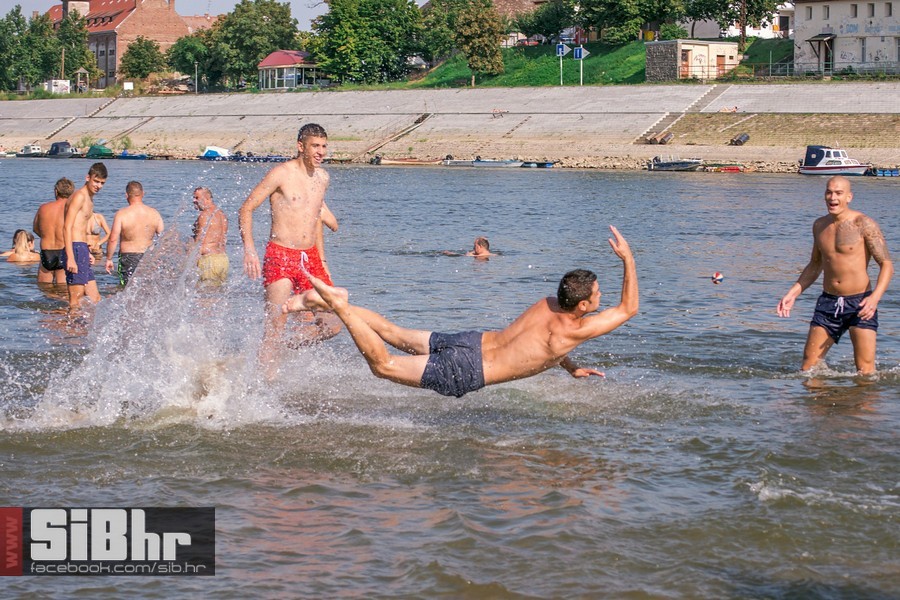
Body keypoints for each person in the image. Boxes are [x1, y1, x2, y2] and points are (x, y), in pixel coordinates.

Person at [284, 226, 638, 397]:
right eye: (596, 295)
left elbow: (543, 346)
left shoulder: (546, 304)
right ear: (582, 306)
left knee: (393, 333)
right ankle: (340, 307)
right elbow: (629, 308)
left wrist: (571, 368)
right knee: (383, 366)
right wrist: (629, 259)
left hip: (470, 341)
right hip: (468, 368)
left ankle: (322, 299)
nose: (600, 298)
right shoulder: (572, 331)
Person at [239, 123, 341, 371]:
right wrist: (249, 250)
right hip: (281, 256)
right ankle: (265, 381)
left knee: (333, 324)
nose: (321, 152)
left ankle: (285, 349)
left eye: (324, 146)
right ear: (300, 146)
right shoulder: (281, 174)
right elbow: (247, 208)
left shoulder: (322, 178)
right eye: (315, 146)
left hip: (311, 258)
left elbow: (316, 219)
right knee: (276, 325)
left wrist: (323, 263)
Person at [777, 176, 893, 375]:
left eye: (838, 193)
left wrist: (874, 299)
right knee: (808, 368)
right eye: (829, 192)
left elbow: (886, 265)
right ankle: (819, 404)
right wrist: (793, 293)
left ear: (849, 197)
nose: (833, 197)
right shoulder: (819, 225)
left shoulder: (863, 223)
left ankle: (857, 406)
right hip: (828, 303)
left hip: (861, 303)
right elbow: (815, 264)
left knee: (865, 372)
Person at [64, 162, 108, 309]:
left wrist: (87, 251)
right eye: (96, 181)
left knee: (95, 299)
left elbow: (81, 227)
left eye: (102, 183)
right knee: (75, 301)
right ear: (87, 177)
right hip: (74, 248)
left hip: (81, 248)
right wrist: (70, 257)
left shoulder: (90, 199)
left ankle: (87, 331)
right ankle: (71, 332)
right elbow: (67, 226)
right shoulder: (79, 196)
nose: (99, 186)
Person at [105, 181, 165, 286]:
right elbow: (164, 238)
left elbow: (113, 239)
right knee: (146, 288)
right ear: (143, 193)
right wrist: (159, 257)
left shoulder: (121, 214)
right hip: (149, 257)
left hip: (128, 258)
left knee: (126, 288)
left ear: (126, 195)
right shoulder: (154, 213)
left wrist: (109, 259)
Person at [33, 177, 74, 284]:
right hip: (64, 250)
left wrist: (47, 235)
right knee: (63, 289)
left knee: (44, 288)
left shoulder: (43, 208)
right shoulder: (71, 209)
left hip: (47, 251)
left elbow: (36, 229)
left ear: (56, 190)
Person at [191, 186, 229, 285]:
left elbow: (199, 242)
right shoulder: (221, 214)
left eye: (197, 198)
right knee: (218, 294)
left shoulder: (204, 215)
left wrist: (188, 264)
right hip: (222, 259)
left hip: (209, 261)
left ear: (207, 199)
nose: (193, 200)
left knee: (205, 297)